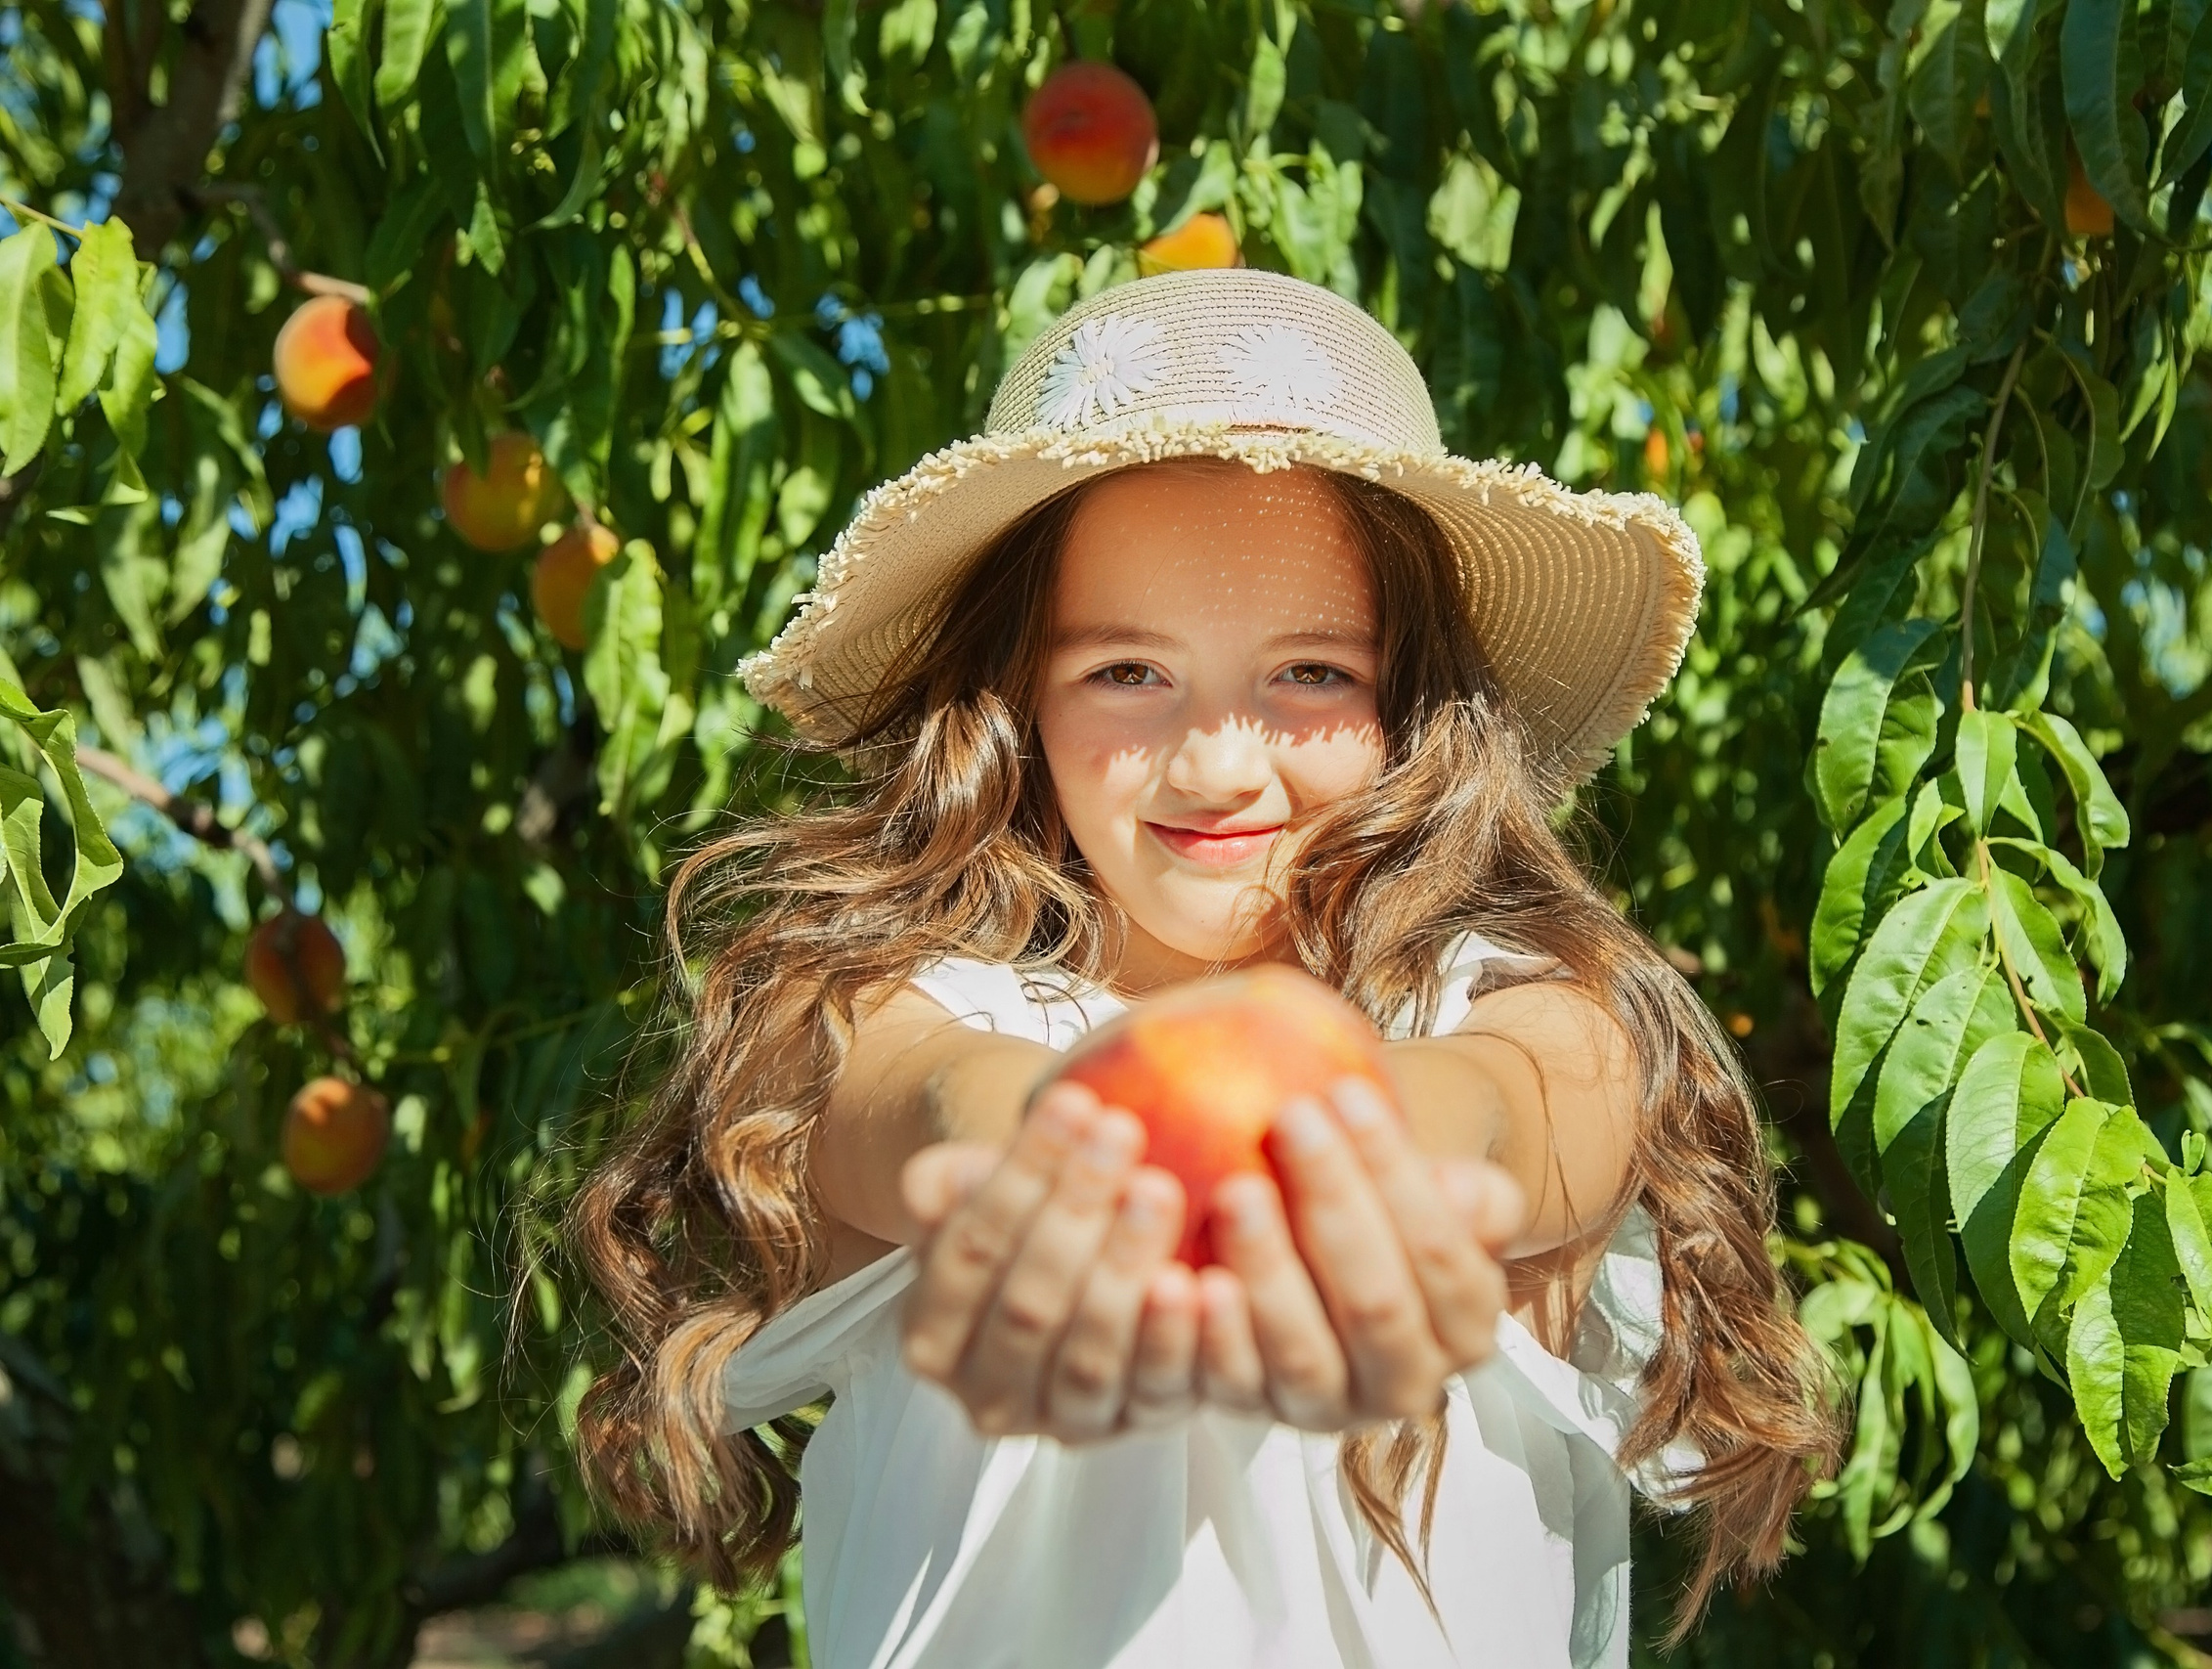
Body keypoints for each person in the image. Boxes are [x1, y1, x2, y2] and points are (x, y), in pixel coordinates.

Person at [570, 269, 1837, 1669]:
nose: (1221, 761)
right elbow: (920, 1100)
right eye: (1126, 673)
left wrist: (1354, 1150)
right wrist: (1070, 1143)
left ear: (1416, 704)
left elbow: (1526, 1106)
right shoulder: (918, 1005)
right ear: (1014, 705)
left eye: (1311, 674)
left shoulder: (1500, 1001)